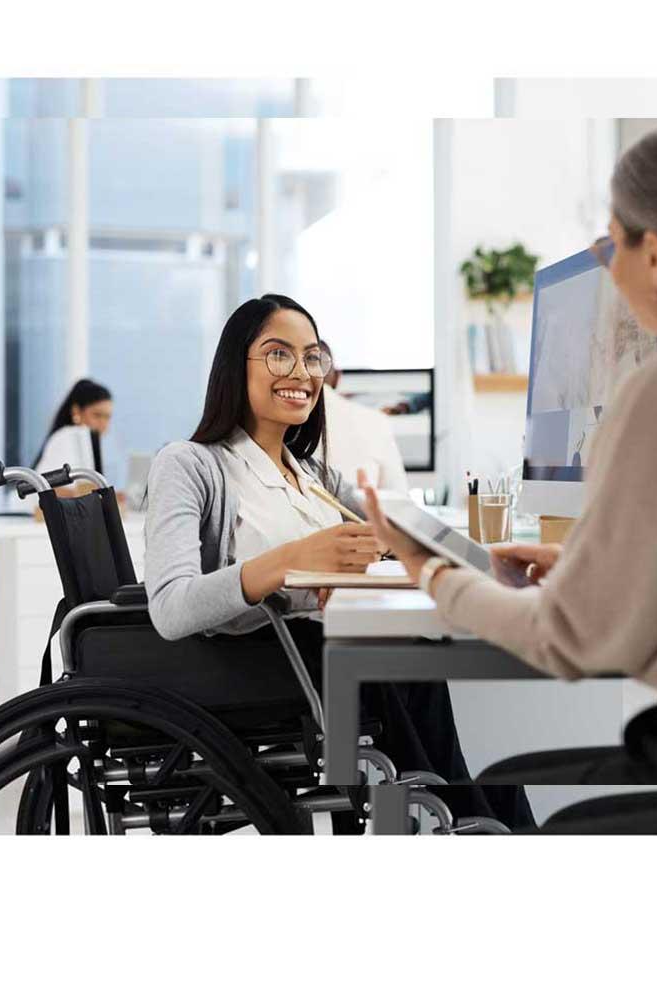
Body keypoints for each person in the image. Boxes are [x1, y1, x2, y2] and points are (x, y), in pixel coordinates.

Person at [359, 119, 657, 786]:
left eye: (613, 246)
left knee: (479, 789)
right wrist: (590, 565)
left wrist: (427, 570)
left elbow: (566, 641)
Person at [145, 292, 533, 829]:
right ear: (237, 365)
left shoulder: (313, 475)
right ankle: (473, 829)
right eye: (279, 354)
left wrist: (482, 555)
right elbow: (170, 607)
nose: (301, 372)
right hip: (257, 668)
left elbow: (397, 531)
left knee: (448, 687)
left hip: (330, 654)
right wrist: (294, 561)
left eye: (313, 357)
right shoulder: (190, 465)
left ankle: (496, 831)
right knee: (414, 670)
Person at [317, 341, 410, 493]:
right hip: (364, 514)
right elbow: (399, 496)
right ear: (337, 377)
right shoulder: (377, 421)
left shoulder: (283, 420)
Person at [28, 379, 114, 503]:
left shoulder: (88, 443)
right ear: (76, 411)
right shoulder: (66, 437)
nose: (103, 423)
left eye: (107, 417)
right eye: (97, 415)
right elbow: (47, 489)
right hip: (31, 518)